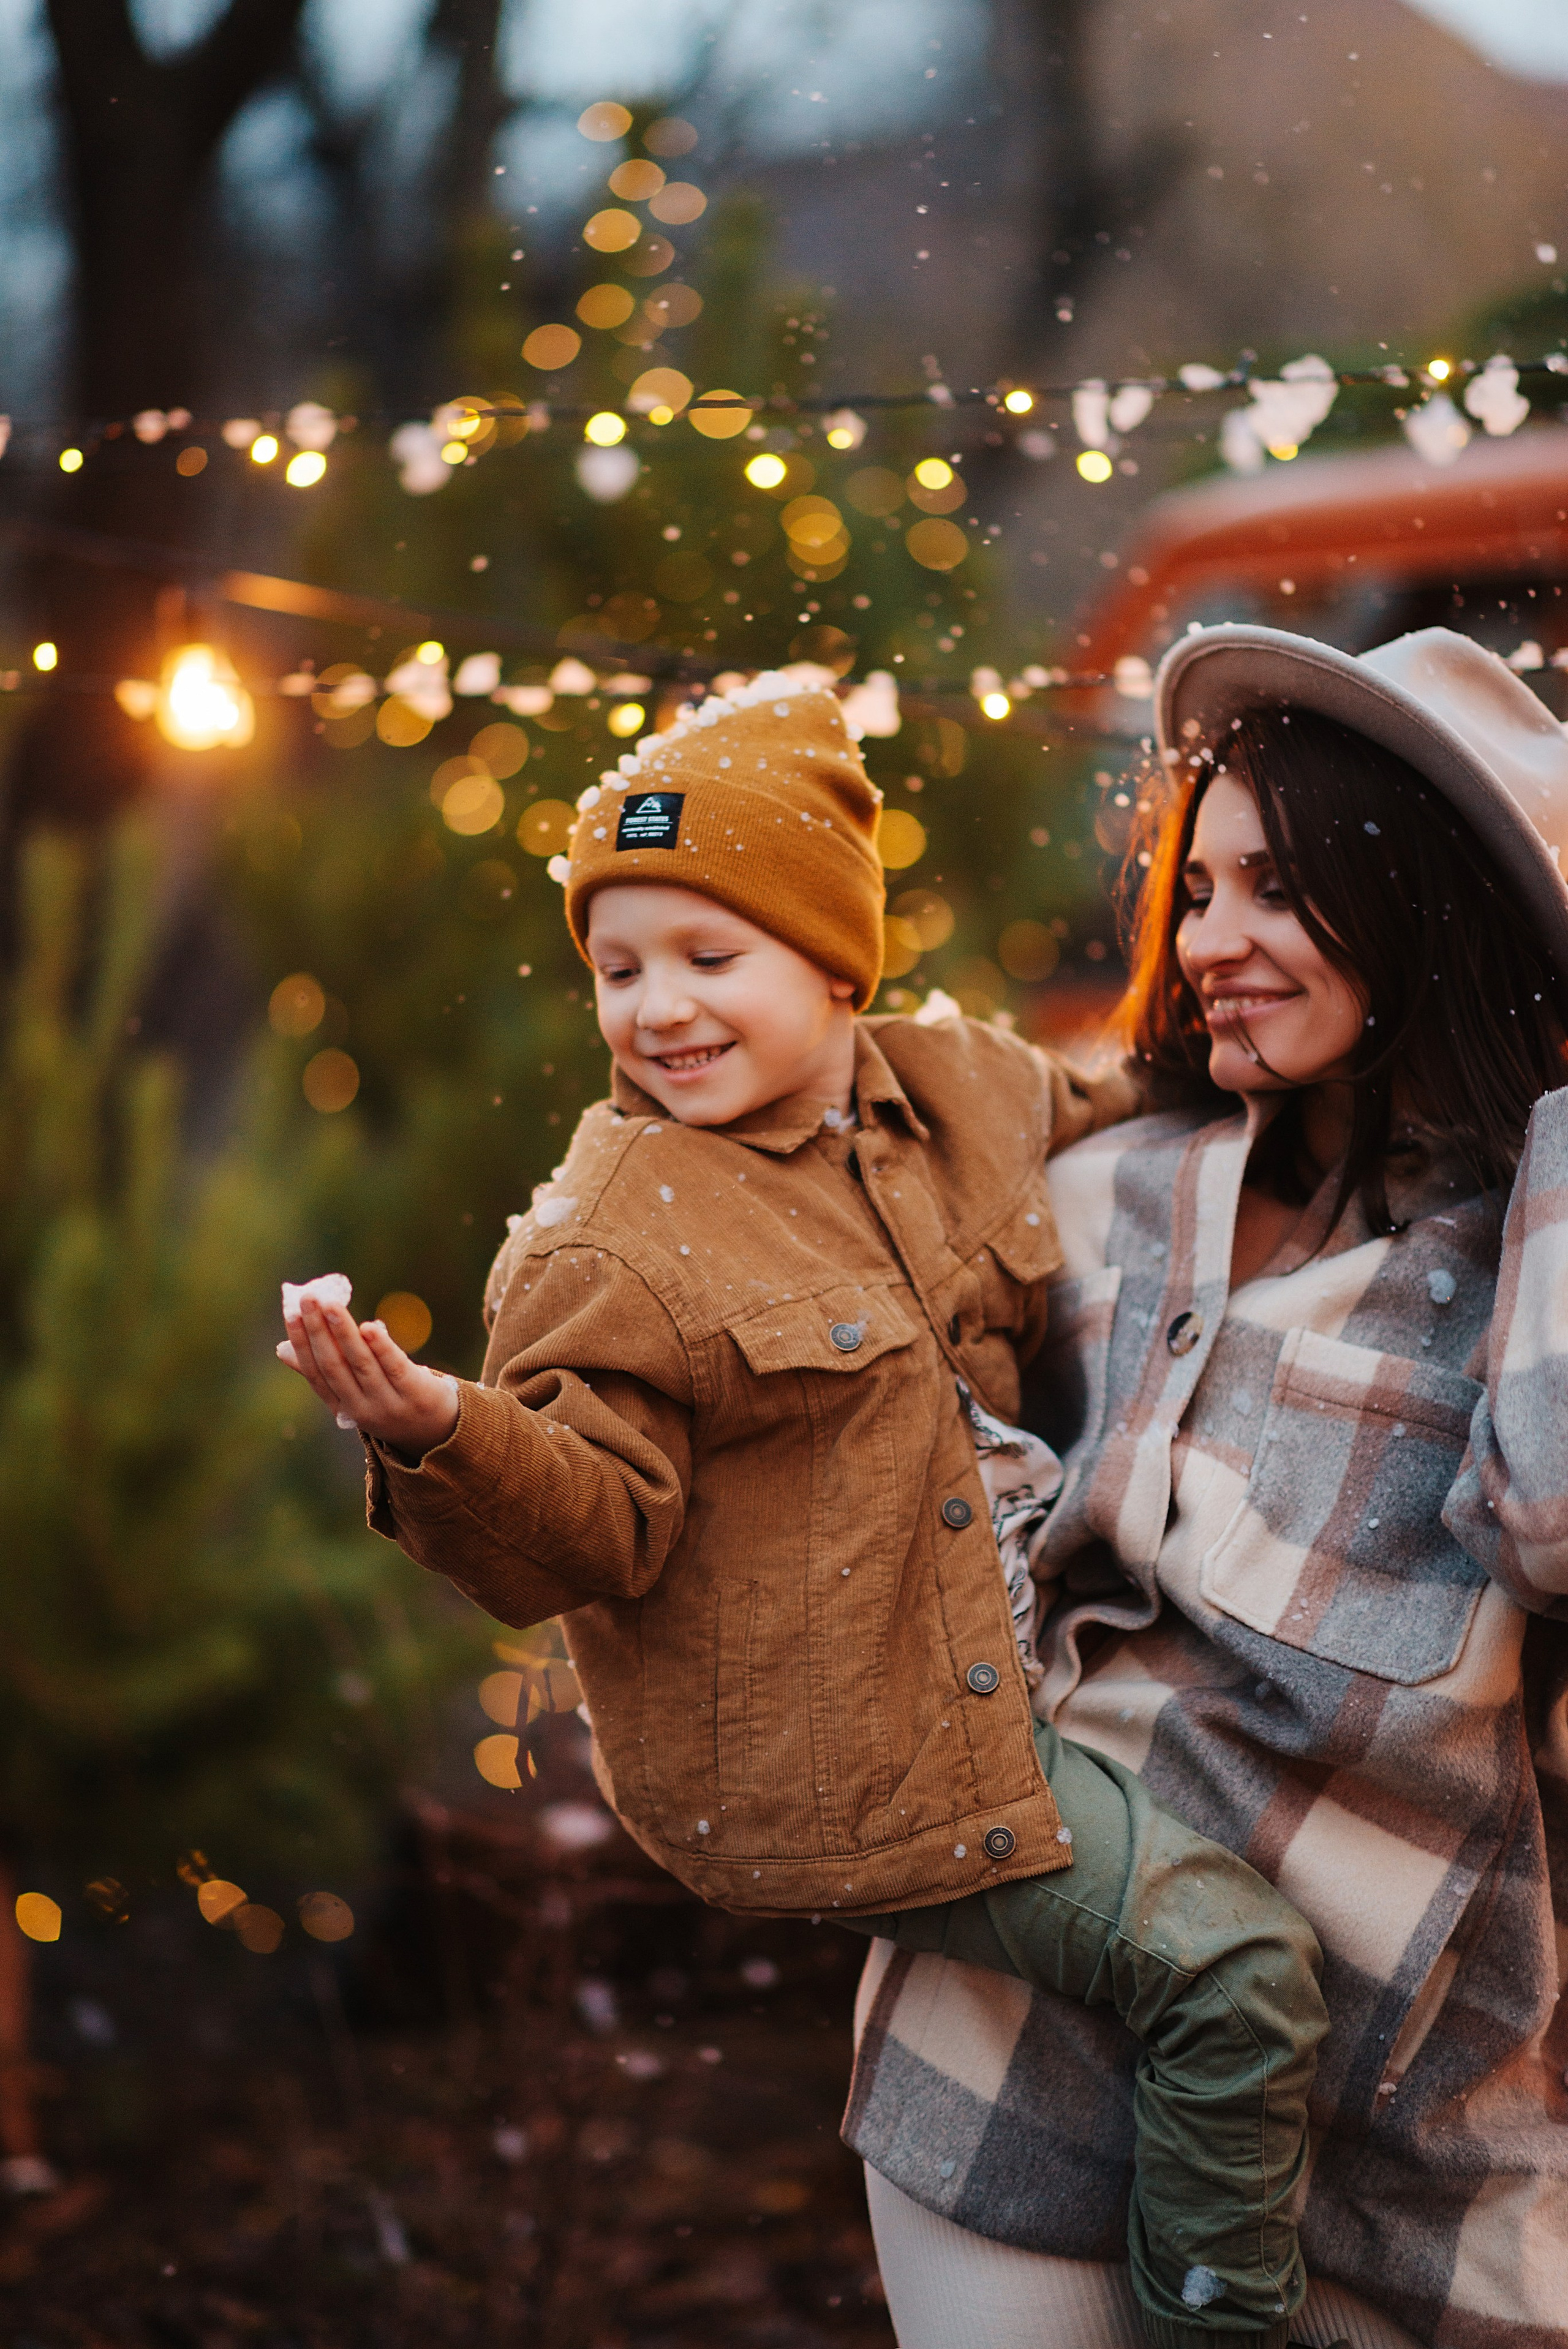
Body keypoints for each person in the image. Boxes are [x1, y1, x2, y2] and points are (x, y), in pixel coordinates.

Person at [277, 669, 1330, 2349]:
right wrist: (433, 1429)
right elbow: (587, 1525)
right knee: (1234, 1966)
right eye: (618, 969)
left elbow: (1142, 1105)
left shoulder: (964, 1090)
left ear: (837, 965)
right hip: (851, 1747)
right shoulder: (611, 1231)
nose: (656, 1009)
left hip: (992, 1645)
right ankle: (1225, 2322)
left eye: (711, 956)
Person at [845, 622, 1568, 2349]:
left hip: (1405, 2149)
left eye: (1277, 890)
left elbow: (1551, 1513)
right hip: (1021, 2059)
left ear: (1427, 905)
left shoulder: (1517, 1266)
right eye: (1201, 884)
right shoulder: (1103, 1195)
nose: (1208, 941)